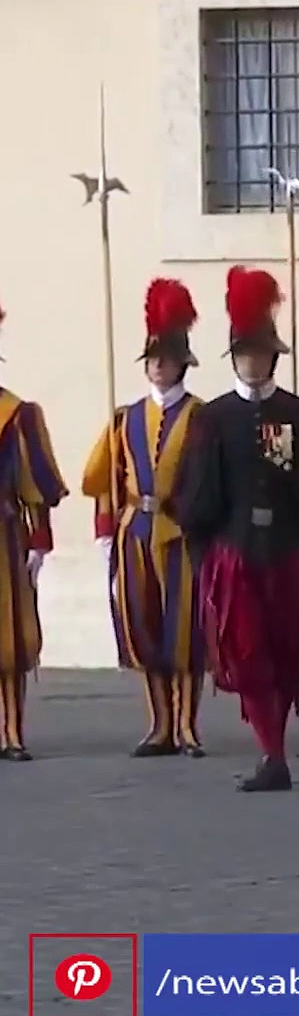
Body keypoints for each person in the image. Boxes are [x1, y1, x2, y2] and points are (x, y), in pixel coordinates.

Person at [175, 266, 299, 791]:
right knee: (248, 652)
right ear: (234, 358)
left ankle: (276, 749)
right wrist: (204, 554)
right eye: (245, 354)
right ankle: (272, 755)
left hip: (288, 549)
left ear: (274, 358)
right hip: (236, 553)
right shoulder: (213, 418)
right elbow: (197, 497)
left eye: (261, 354)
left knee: (285, 655)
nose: (254, 363)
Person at [81, 278, 208, 758]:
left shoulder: (201, 417)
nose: (158, 367)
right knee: (145, 627)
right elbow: (103, 478)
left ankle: (188, 725)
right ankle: (159, 725)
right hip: (135, 532)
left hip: (183, 533)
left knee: (187, 630)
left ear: (182, 365)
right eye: (152, 360)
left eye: (166, 360)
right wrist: (103, 533)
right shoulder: (124, 418)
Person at [0, 299, 67, 761]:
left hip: (3, 539)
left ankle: (11, 731)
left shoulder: (16, 414)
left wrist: (39, 541)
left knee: (8, 640)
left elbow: (35, 484)